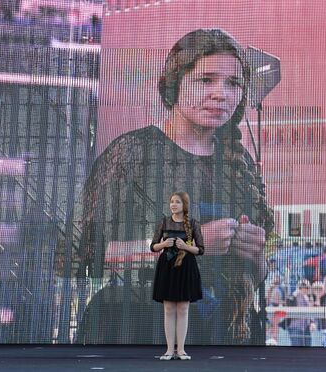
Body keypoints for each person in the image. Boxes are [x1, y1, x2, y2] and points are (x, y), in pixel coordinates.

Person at [76, 29, 274, 345]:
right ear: (174, 82)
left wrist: (255, 254)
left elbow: (258, 275)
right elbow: (88, 257)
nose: (221, 93)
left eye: (233, 83)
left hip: (221, 336)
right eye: (206, 80)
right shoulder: (133, 153)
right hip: (134, 331)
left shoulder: (241, 164)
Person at [151, 191, 204, 360]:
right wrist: (164, 244)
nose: (173, 205)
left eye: (177, 202)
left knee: (183, 308)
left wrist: (186, 247)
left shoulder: (193, 224)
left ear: (184, 205)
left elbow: (201, 249)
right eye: (172, 202)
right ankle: (168, 350)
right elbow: (153, 246)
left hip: (185, 267)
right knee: (168, 308)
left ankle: (181, 350)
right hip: (167, 267)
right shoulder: (164, 222)